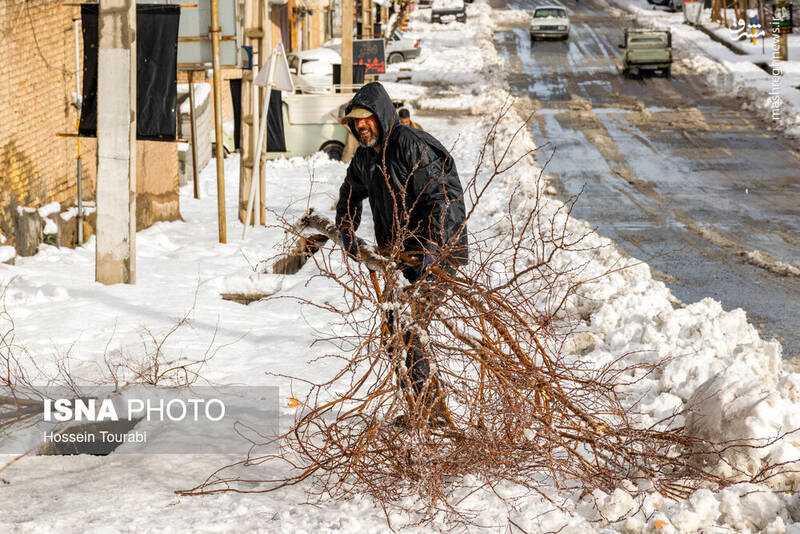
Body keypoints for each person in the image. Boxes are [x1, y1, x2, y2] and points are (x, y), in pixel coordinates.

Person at [335, 82, 468, 425]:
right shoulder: (367, 155)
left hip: (437, 252)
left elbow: (442, 198)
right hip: (401, 255)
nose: (360, 126)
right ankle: (418, 408)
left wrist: (434, 246)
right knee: (394, 332)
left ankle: (432, 416)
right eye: (355, 122)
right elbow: (352, 190)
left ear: (380, 116)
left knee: (410, 329)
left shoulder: (411, 146)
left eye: (365, 120)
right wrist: (347, 228)